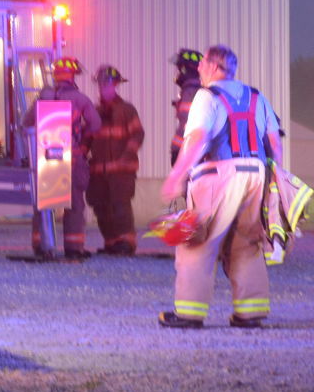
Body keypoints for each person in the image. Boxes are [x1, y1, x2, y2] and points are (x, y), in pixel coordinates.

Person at [158, 44, 282, 329]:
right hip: (257, 174)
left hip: (218, 175)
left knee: (197, 242)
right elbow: (274, 141)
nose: (199, 70)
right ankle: (249, 313)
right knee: (246, 244)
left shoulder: (207, 96)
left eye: (202, 65)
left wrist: (176, 176)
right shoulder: (256, 96)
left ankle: (189, 313)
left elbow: (198, 138)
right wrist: (275, 178)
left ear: (213, 66)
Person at [21, 57, 101, 258]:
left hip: (45, 159)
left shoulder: (43, 97)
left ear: (55, 75)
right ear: (73, 76)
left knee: (43, 204)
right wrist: (82, 139)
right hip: (72, 159)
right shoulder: (80, 99)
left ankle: (42, 246)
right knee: (74, 204)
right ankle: (73, 249)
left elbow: (26, 123)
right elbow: (96, 125)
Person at [87, 65, 145, 254]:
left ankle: (126, 243)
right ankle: (111, 243)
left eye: (108, 84)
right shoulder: (94, 112)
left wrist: (125, 157)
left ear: (116, 85)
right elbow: (87, 139)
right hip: (99, 170)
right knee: (101, 207)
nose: (104, 87)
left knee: (120, 206)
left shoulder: (127, 110)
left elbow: (137, 135)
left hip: (121, 171)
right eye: (101, 84)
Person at [169, 47, 203, 165]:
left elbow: (186, 125)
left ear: (185, 70)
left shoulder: (190, 93)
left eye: (179, 69)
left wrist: (176, 150)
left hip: (189, 155)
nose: (178, 73)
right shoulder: (196, 91)